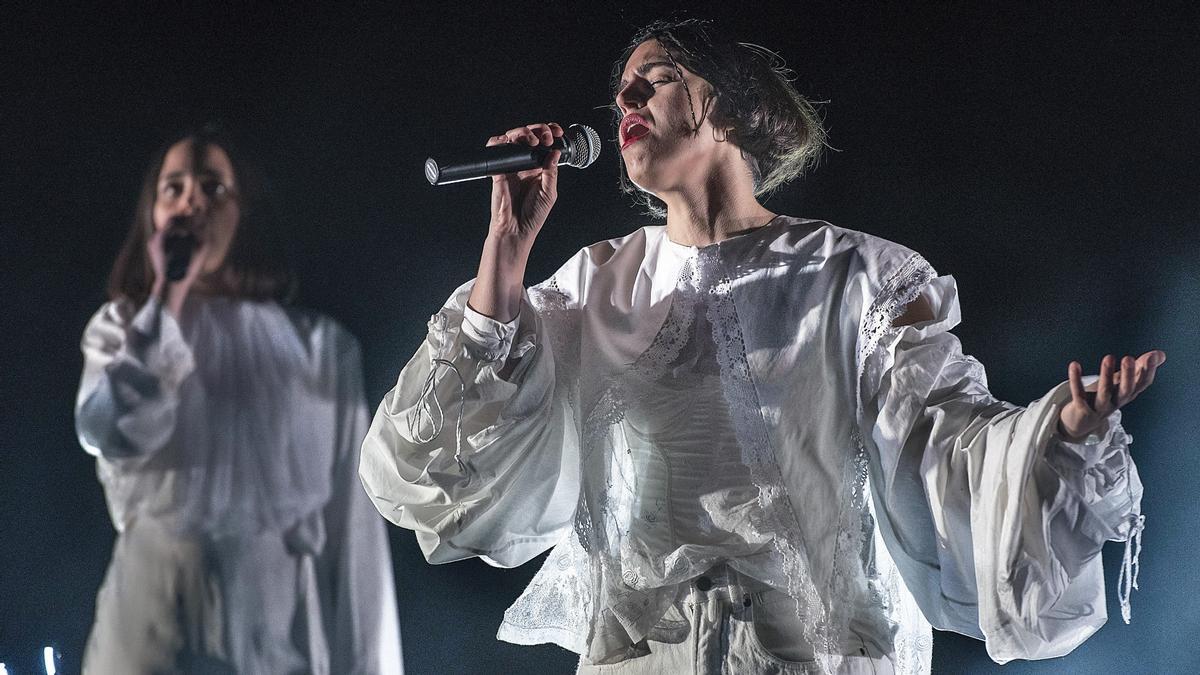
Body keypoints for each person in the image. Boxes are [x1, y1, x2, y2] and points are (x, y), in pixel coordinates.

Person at [359, 19, 1163, 675]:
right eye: (621, 87)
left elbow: (944, 443)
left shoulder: (856, 276)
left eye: (660, 75)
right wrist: (507, 239)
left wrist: (1057, 437)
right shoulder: (593, 286)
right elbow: (448, 453)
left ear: (734, 110)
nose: (625, 94)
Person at [76, 125, 403, 674]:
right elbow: (113, 430)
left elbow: (355, 541)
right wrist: (167, 294)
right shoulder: (121, 328)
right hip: (150, 633)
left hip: (279, 639)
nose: (191, 204)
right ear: (151, 217)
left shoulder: (321, 348)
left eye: (212, 188)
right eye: (173, 189)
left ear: (243, 212)